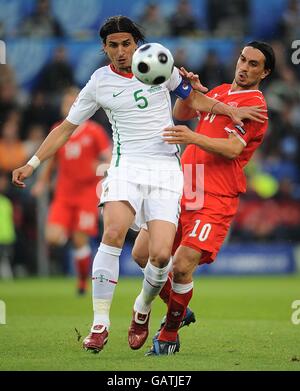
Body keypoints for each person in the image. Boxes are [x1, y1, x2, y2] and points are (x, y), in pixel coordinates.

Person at [12, 16, 267, 354]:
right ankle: (100, 324)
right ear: (104, 48)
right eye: (113, 46)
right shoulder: (98, 82)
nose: (120, 51)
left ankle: (143, 309)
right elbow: (65, 129)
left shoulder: (159, 62)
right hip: (124, 167)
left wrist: (228, 110)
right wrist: (32, 163)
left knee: (160, 256)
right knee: (113, 233)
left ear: (137, 44)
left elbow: (193, 101)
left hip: (165, 171)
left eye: (126, 44)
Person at [132, 41, 275, 355]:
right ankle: (179, 309)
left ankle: (169, 334)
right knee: (142, 254)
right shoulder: (222, 91)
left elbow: (233, 149)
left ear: (264, 72)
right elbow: (181, 112)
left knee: (182, 265)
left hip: (216, 195)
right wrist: (190, 91)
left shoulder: (255, 105)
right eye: (242, 59)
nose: (245, 67)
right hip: (184, 185)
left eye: (254, 64)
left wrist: (191, 136)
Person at [31, 87, 112, 294]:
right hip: (64, 194)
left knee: (80, 239)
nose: (68, 106)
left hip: (86, 193)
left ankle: (82, 283)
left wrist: (102, 168)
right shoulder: (59, 129)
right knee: (52, 237)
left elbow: (108, 157)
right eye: (65, 102)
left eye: (72, 102)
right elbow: (53, 160)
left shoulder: (93, 131)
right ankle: (68, 229)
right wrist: (42, 181)